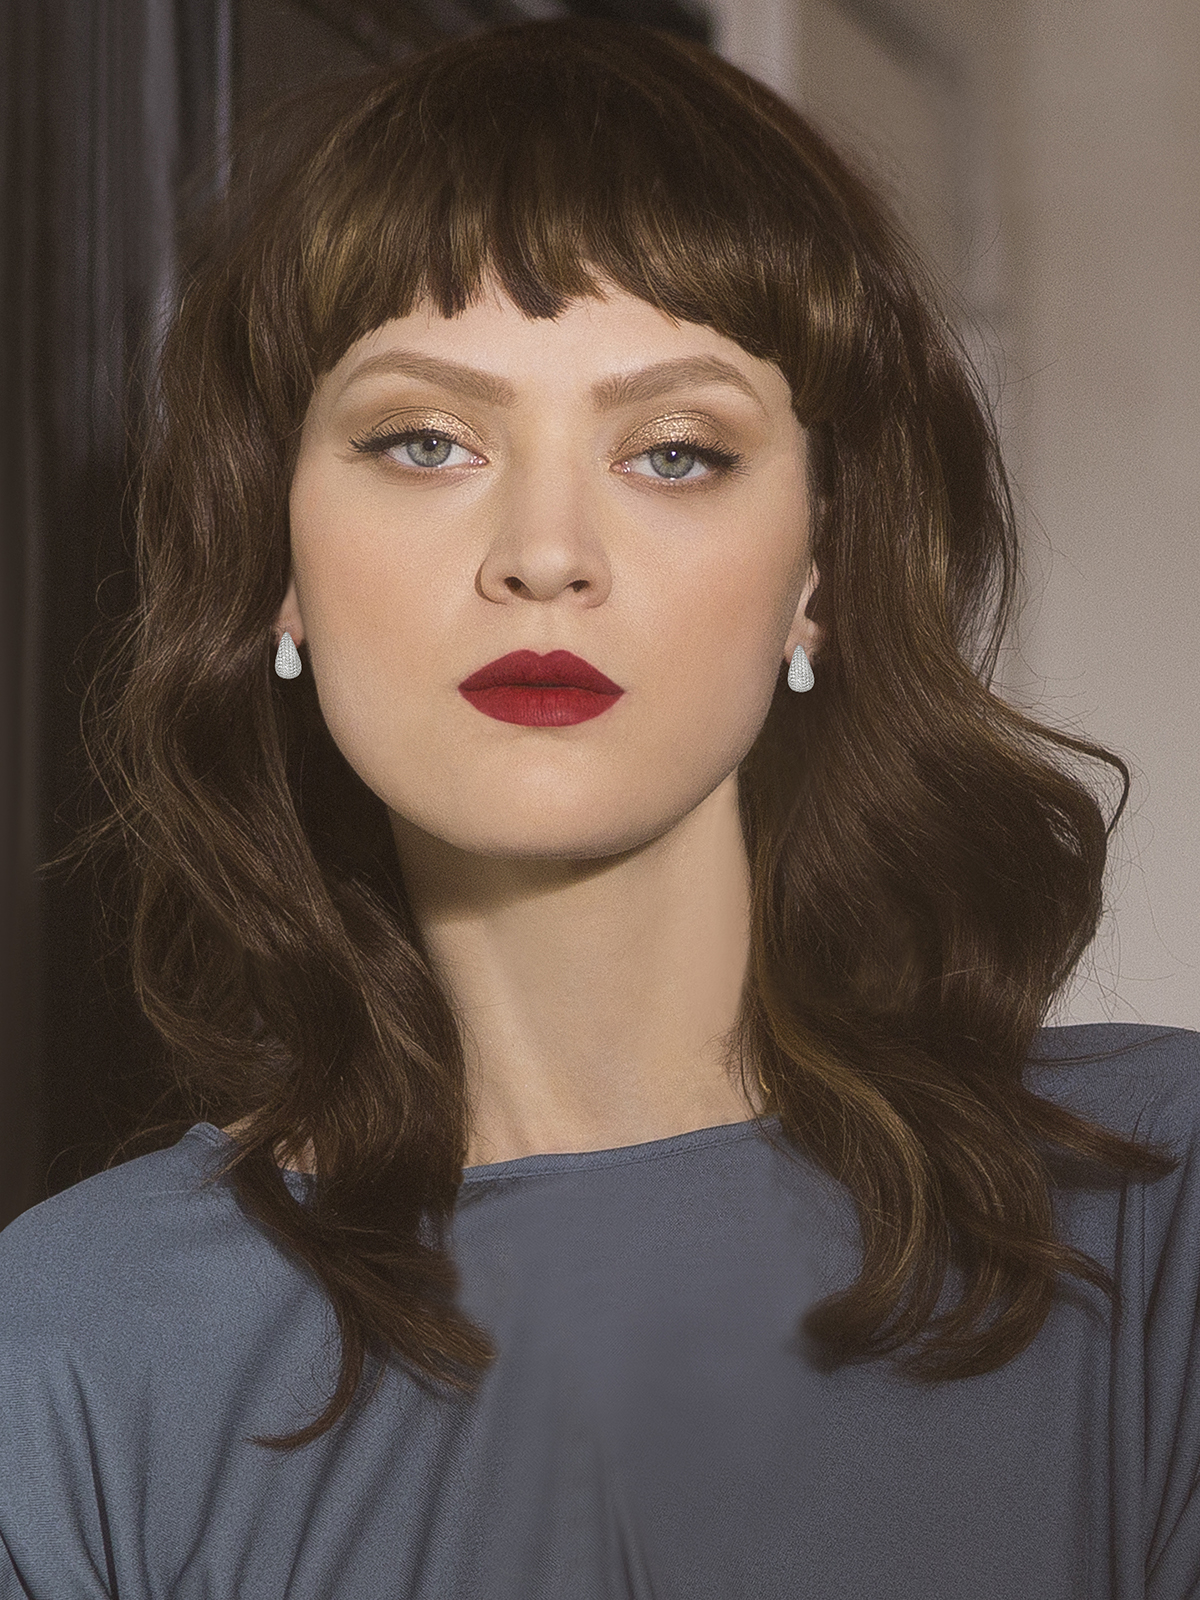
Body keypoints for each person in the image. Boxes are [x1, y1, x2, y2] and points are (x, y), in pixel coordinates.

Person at [1, 16, 1197, 1598]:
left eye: (676, 452)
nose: (546, 553)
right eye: (425, 441)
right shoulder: (66, 1350)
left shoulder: (1157, 1222)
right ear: (276, 558)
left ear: (819, 573)